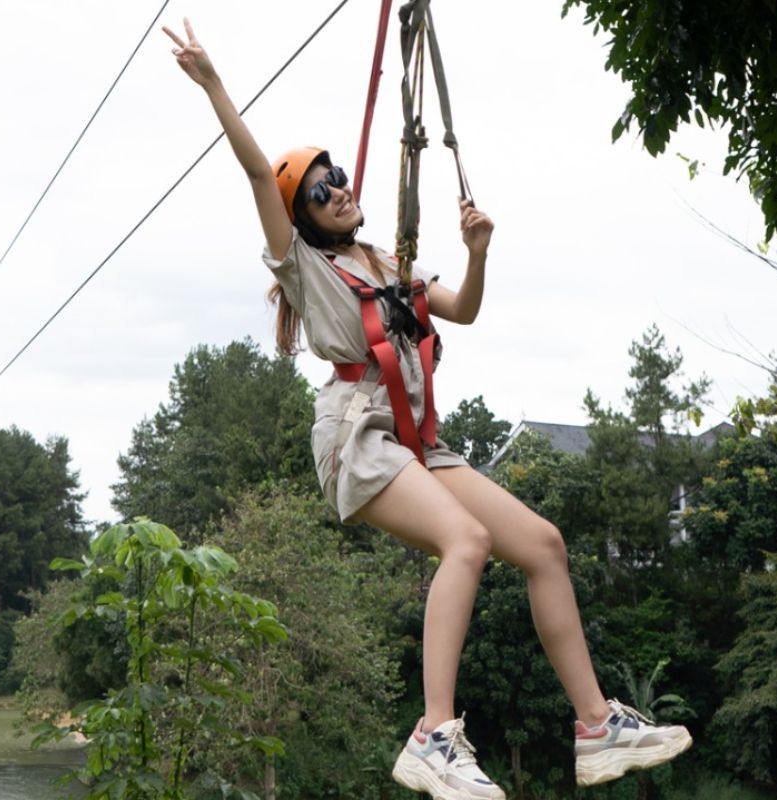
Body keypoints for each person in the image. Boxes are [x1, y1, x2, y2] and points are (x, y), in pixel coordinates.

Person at [163, 17, 691, 799]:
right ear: (301, 218)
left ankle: (594, 727)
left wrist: (477, 253)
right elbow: (252, 173)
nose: (339, 188)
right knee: (467, 542)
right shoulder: (309, 269)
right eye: (319, 190)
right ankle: (434, 735)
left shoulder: (389, 262)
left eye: (338, 175)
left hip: (417, 440)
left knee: (544, 545)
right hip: (360, 435)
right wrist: (212, 83)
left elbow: (463, 310)